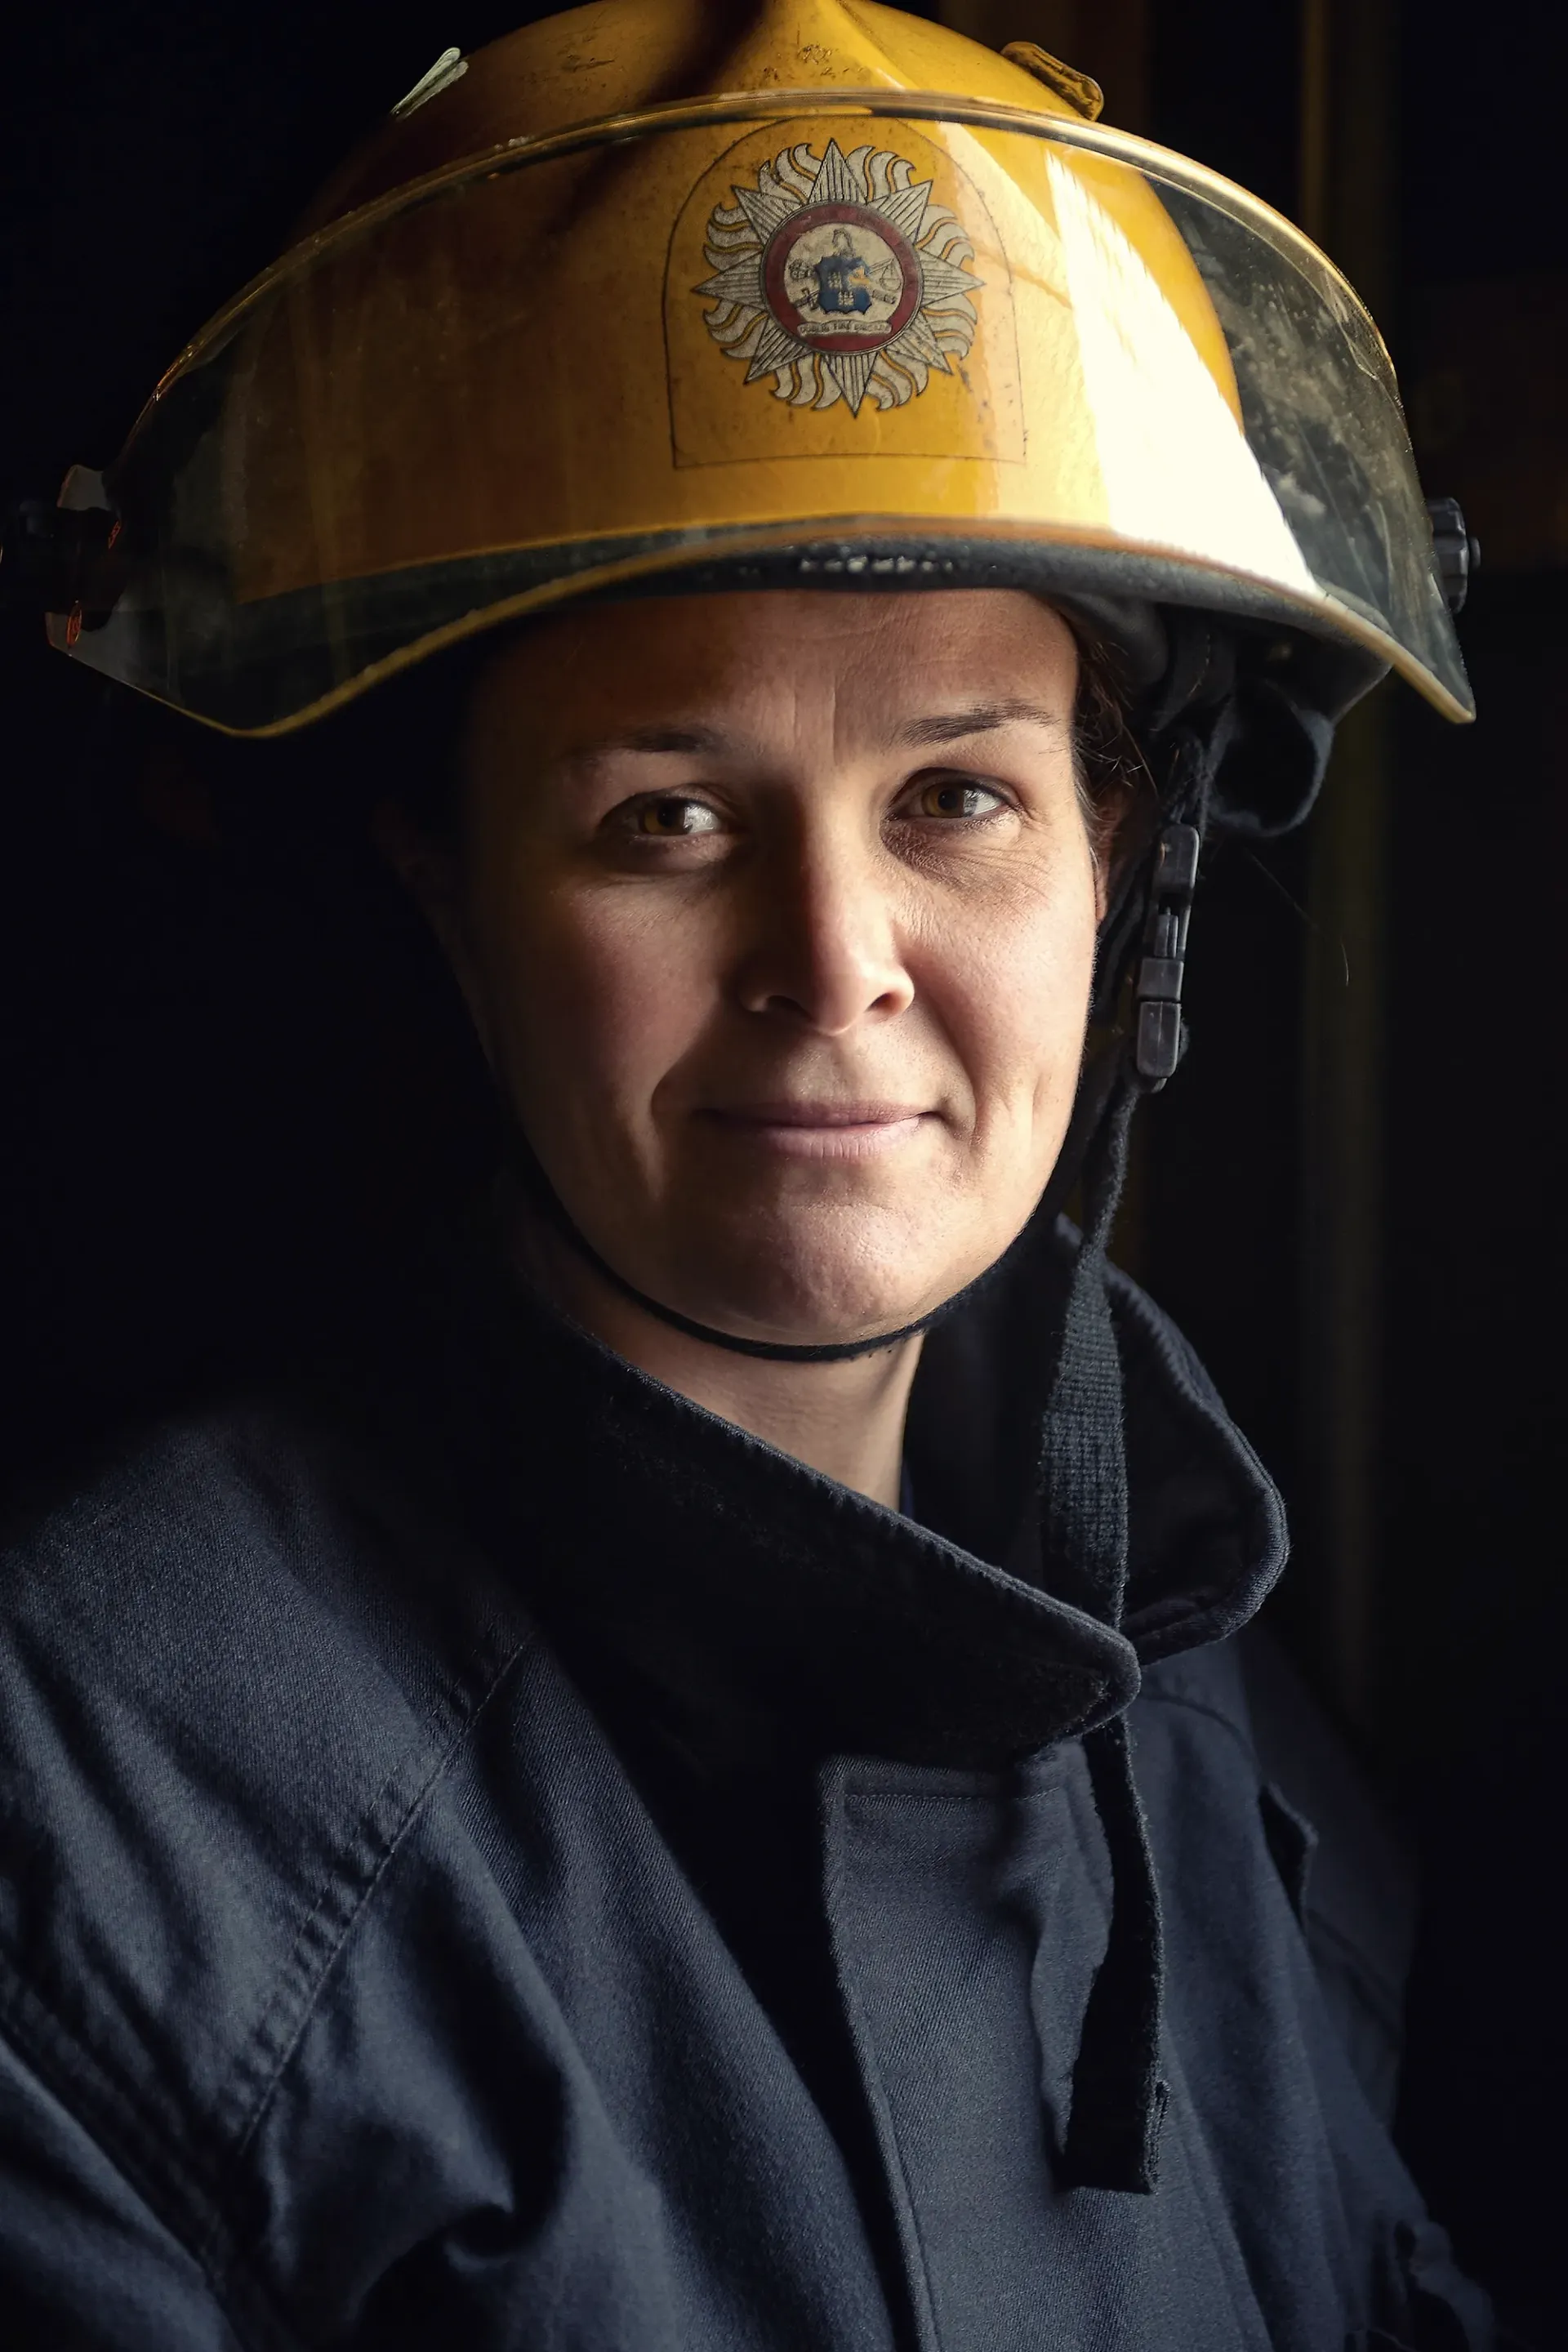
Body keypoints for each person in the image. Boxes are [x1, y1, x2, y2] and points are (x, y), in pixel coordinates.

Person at [0, 2, 1492, 2345]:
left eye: (957, 800)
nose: (834, 965)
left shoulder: (1204, 1704)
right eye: (663, 819)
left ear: (1124, 859)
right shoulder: (99, 1823)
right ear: (442, 888)